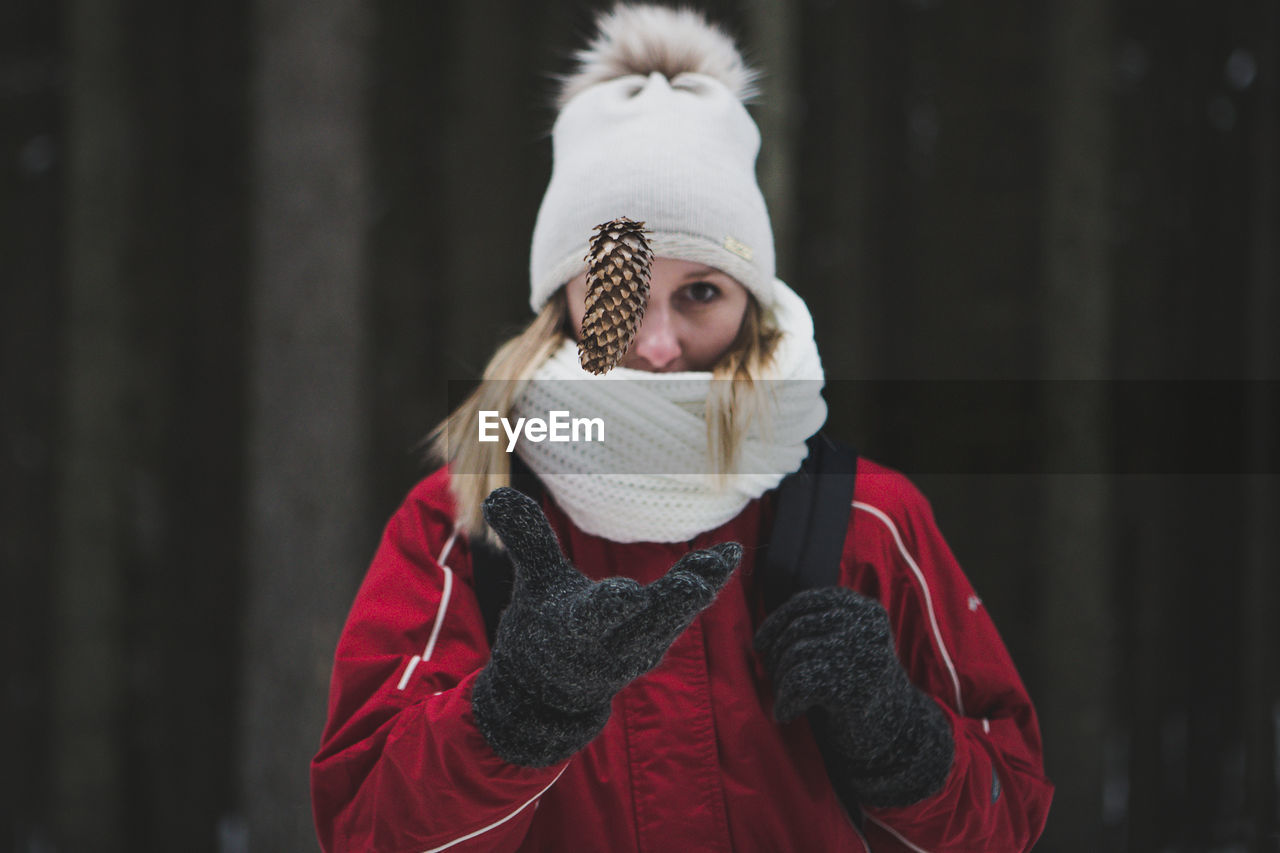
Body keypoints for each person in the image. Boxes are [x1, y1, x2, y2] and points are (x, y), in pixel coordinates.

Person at [310, 4, 1053, 851]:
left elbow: (1009, 813)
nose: (658, 345)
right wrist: (513, 713)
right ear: (563, 306)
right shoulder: (465, 519)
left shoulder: (867, 518)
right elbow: (364, 826)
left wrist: (899, 736)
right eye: (620, 292)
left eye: (700, 291)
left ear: (751, 302)